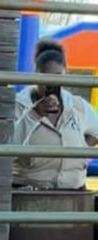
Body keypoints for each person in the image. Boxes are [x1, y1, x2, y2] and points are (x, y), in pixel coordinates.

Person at [12, 39, 98, 189]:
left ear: (65, 74)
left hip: (74, 191)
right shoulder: (17, 106)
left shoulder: (78, 106)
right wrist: (34, 115)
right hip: (27, 191)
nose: (52, 82)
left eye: (58, 76)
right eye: (46, 77)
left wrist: (82, 152)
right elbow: (7, 148)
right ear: (35, 74)